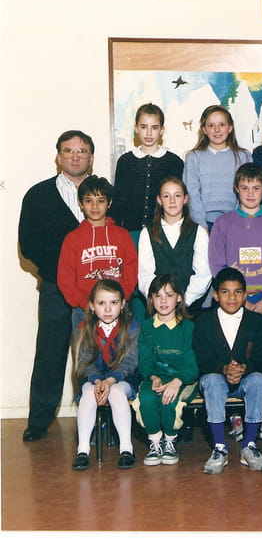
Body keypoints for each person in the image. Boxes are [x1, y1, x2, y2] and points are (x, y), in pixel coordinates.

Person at [19, 130, 93, 441]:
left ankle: (98, 419)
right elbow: (29, 245)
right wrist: (62, 272)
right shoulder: (38, 195)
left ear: (91, 157)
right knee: (50, 353)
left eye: (81, 151)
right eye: (68, 151)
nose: (75, 156)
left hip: (97, 293)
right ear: (59, 156)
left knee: (96, 355)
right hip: (55, 288)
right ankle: (39, 421)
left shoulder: (103, 193)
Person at [193, 268, 262, 474]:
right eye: (225, 292)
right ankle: (220, 447)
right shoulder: (204, 321)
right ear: (215, 295)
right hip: (216, 378)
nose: (232, 297)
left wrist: (244, 368)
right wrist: (224, 368)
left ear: (245, 295)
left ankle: (249, 445)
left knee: (259, 380)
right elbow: (202, 358)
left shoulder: (256, 321)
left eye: (238, 292)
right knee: (212, 380)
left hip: (245, 378)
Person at [71, 279, 140, 471]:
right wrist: (98, 381)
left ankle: (126, 449)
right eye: (102, 303)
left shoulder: (132, 327)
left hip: (123, 379)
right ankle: (82, 450)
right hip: (95, 378)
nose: (108, 309)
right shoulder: (84, 328)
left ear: (123, 304)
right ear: (92, 306)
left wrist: (110, 380)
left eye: (114, 302)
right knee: (88, 393)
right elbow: (84, 362)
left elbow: (130, 361)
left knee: (116, 392)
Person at [134, 274, 198, 466]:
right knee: (146, 398)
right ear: (151, 299)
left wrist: (177, 382)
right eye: (158, 295)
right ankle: (155, 442)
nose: (163, 301)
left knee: (169, 398)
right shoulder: (147, 326)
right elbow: (145, 360)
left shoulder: (188, 327)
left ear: (179, 298)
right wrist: (153, 377)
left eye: (169, 295)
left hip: (183, 379)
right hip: (156, 377)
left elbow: (192, 366)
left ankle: (170, 441)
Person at [208, 163, 262, 318]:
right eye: (245, 188)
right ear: (236, 189)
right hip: (233, 298)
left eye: (256, 188)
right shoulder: (222, 223)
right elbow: (217, 264)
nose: (250, 193)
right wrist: (241, 300)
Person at [57, 175, 138, 322]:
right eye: (89, 201)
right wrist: (84, 303)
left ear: (109, 203)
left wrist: (119, 299)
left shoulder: (122, 235)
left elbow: (131, 271)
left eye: (100, 201)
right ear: (80, 204)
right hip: (84, 310)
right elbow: (65, 279)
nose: (95, 207)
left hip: (117, 309)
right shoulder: (73, 238)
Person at [110, 102, 184, 243]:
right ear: (136, 128)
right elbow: (118, 201)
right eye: (144, 127)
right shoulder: (125, 161)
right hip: (131, 233)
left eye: (154, 127)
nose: (149, 133)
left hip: (163, 234)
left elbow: (179, 202)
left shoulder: (174, 162)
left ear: (162, 130)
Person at [138, 177, 211, 316]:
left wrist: (184, 301)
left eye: (177, 195)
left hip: (189, 310)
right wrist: (161, 301)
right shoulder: (148, 232)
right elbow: (145, 275)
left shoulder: (199, 232)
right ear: (159, 200)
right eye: (166, 196)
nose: (172, 201)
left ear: (185, 199)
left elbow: (203, 274)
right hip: (158, 310)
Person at [185, 105, 252, 230]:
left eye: (222, 124)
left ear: (230, 127)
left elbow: (247, 191)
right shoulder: (194, 157)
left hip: (236, 222)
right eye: (211, 125)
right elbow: (192, 194)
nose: (217, 130)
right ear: (204, 129)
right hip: (204, 222)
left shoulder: (243, 156)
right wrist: (202, 226)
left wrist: (237, 220)